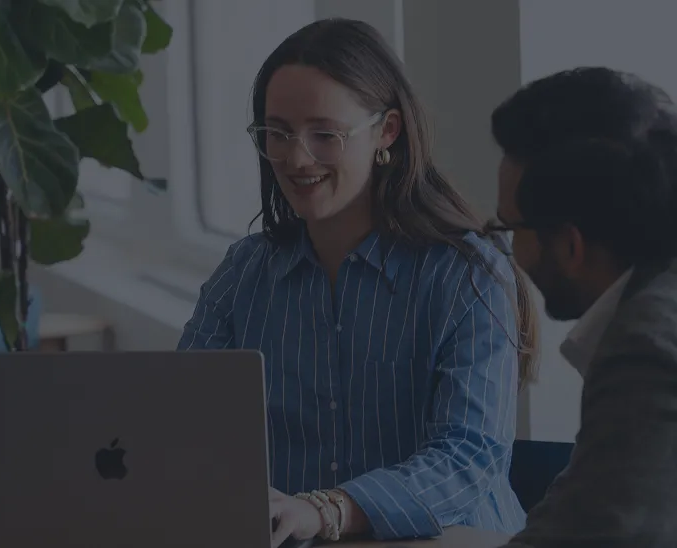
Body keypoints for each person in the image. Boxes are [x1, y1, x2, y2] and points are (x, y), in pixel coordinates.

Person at [177, 18, 538, 545]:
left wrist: (326, 510)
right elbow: (179, 419)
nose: (297, 159)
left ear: (386, 131)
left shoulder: (466, 274)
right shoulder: (244, 274)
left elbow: (468, 457)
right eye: (277, 133)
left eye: (325, 134)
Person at [490, 67, 677, 548]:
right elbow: (581, 503)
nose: (510, 249)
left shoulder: (646, 346)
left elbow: (602, 533)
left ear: (570, 245)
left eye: (511, 228)